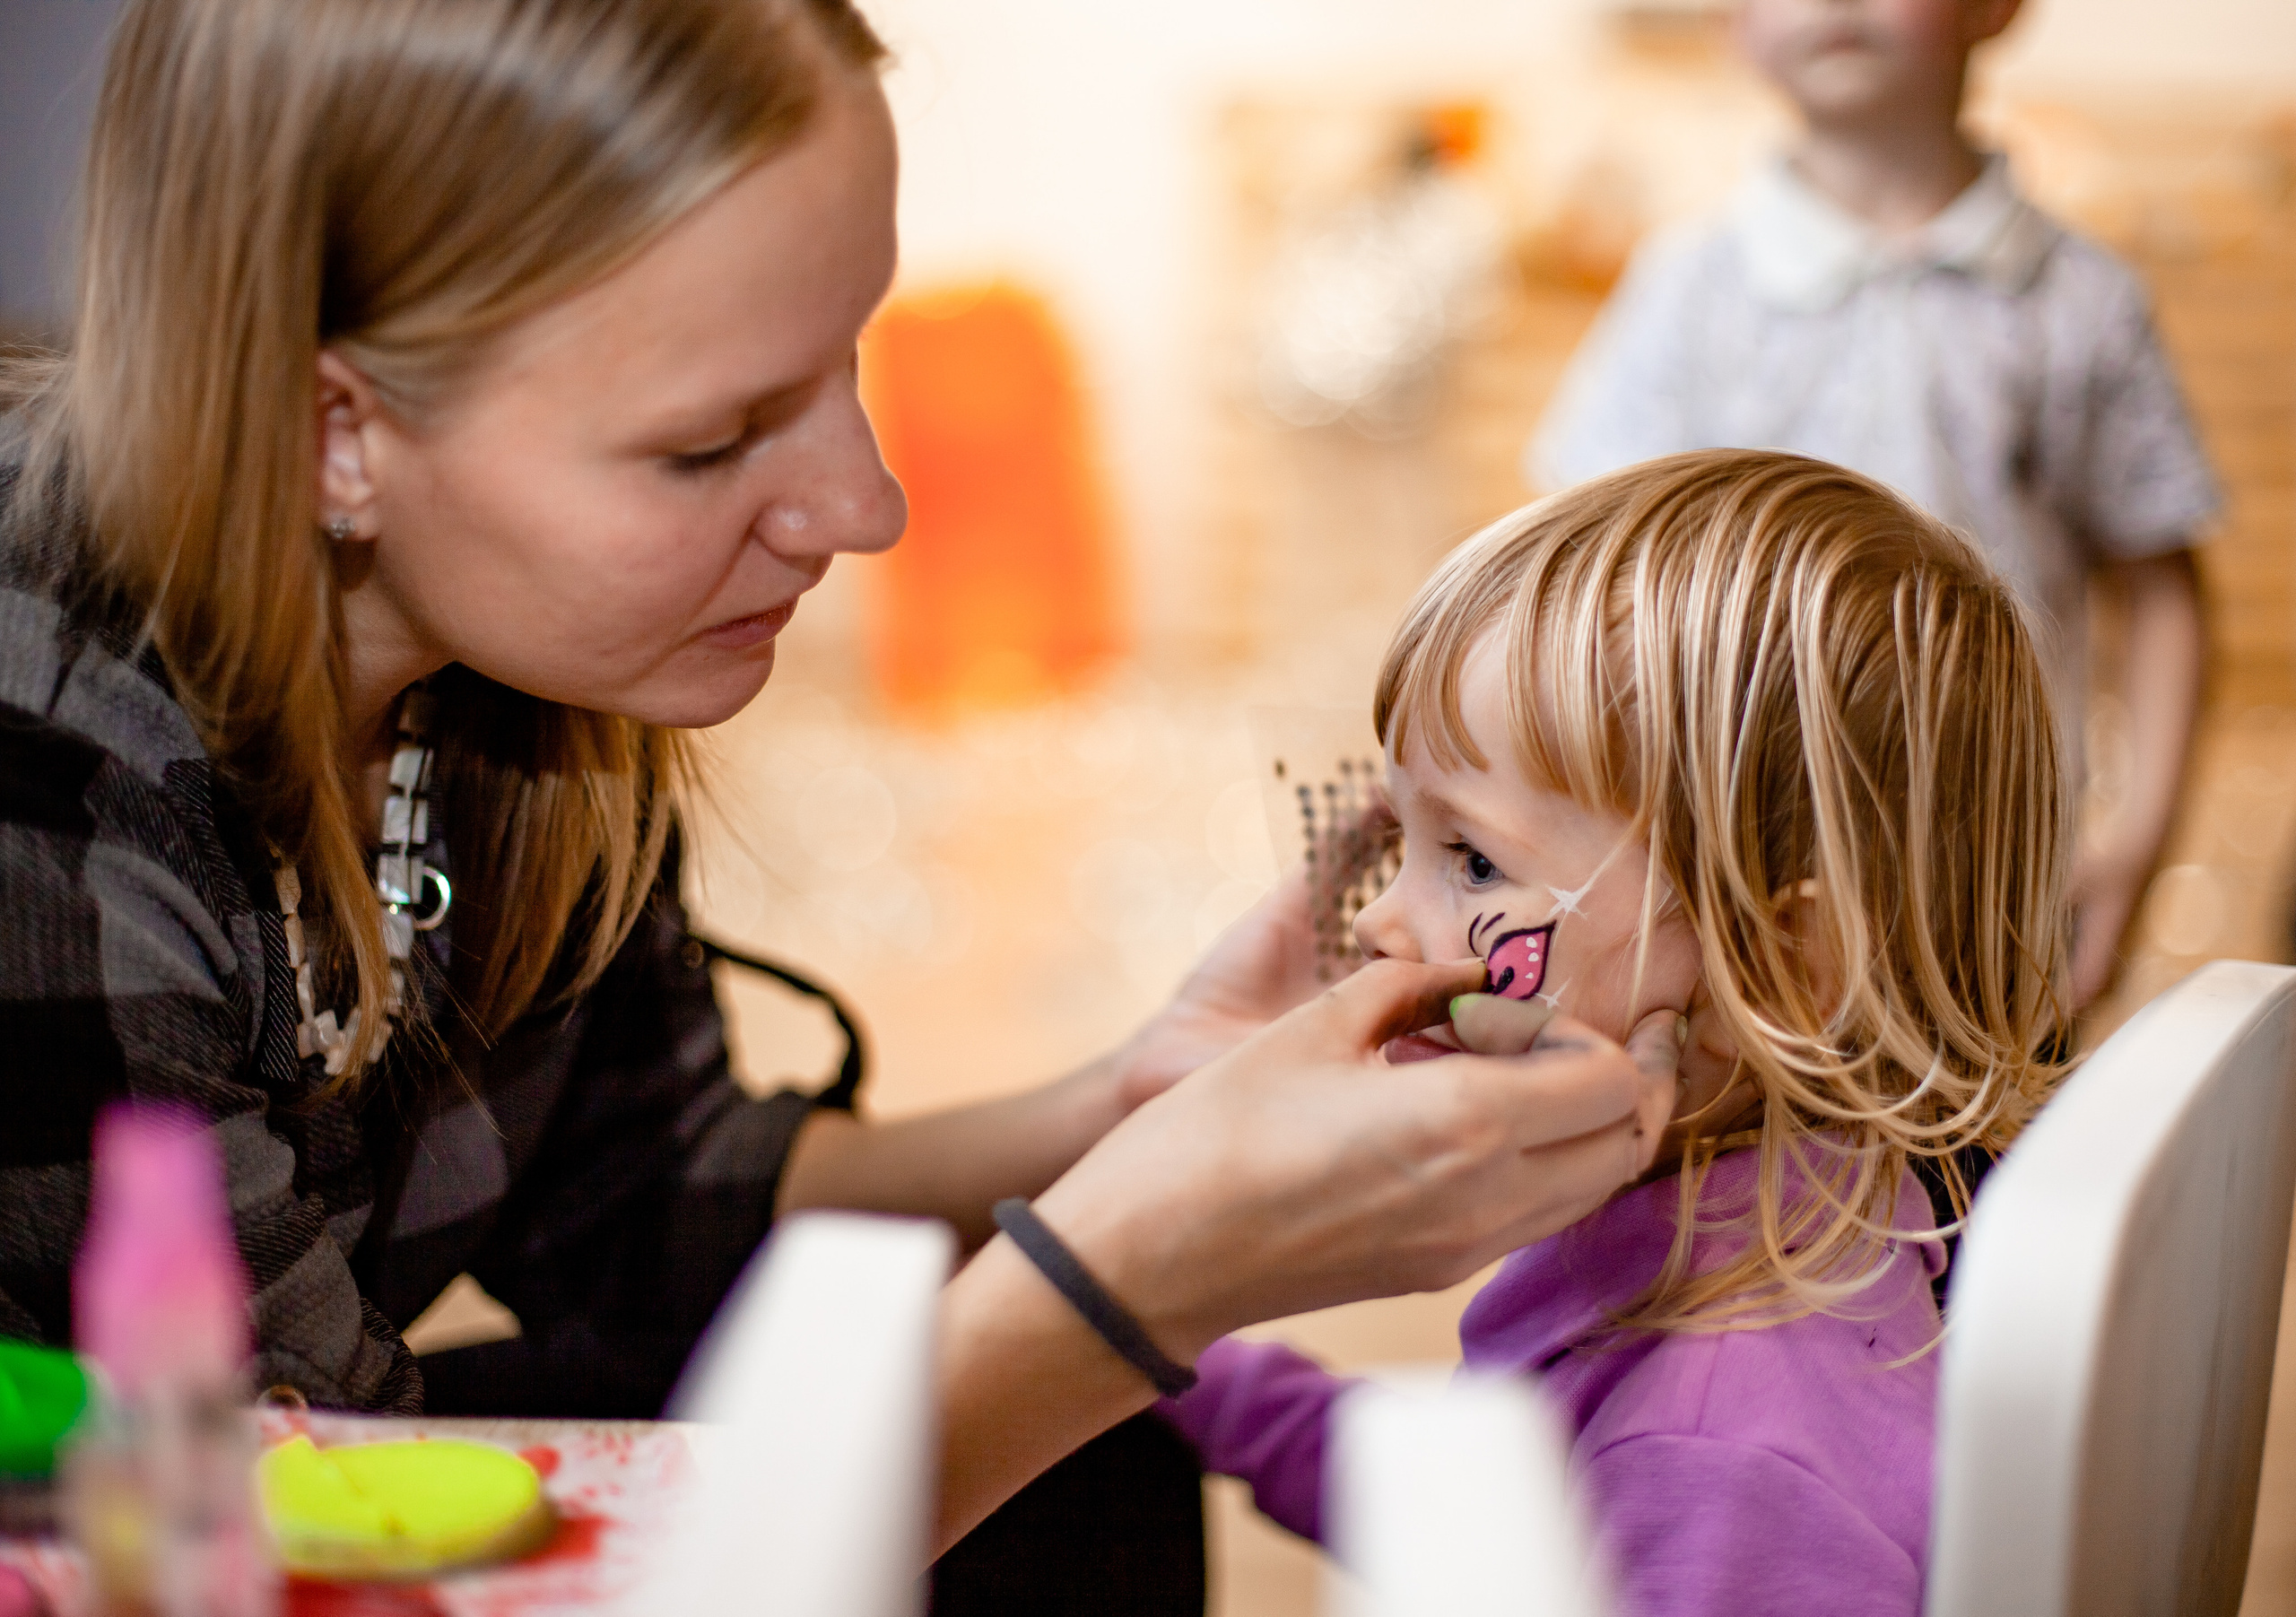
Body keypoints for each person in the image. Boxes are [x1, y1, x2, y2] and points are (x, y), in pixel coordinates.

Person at [0, 0, 1692, 1575]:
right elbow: (336, 1541)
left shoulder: (503, 682)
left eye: (842, 361)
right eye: (712, 439)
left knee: (1077, 1479)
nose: (866, 505)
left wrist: (1124, 1113)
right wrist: (1113, 1288)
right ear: (335, 434)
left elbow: (642, 1200)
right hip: (242, 1533)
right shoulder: (49, 783)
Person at [1161, 449, 2068, 1617]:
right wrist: (1181, 1361)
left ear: (1778, 964)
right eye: (1405, 839)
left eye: (1473, 857)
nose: (1383, 915)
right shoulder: (1766, 1206)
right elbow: (1512, 1518)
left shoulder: (1711, 1452)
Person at [1529, 0, 2217, 1012]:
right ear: (1729, 21)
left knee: (1979, 1160)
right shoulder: (1688, 290)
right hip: (1722, 877)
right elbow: (1586, 575)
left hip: (1994, 883)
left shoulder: (2080, 299)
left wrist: (2139, 843)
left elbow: (2160, 581)